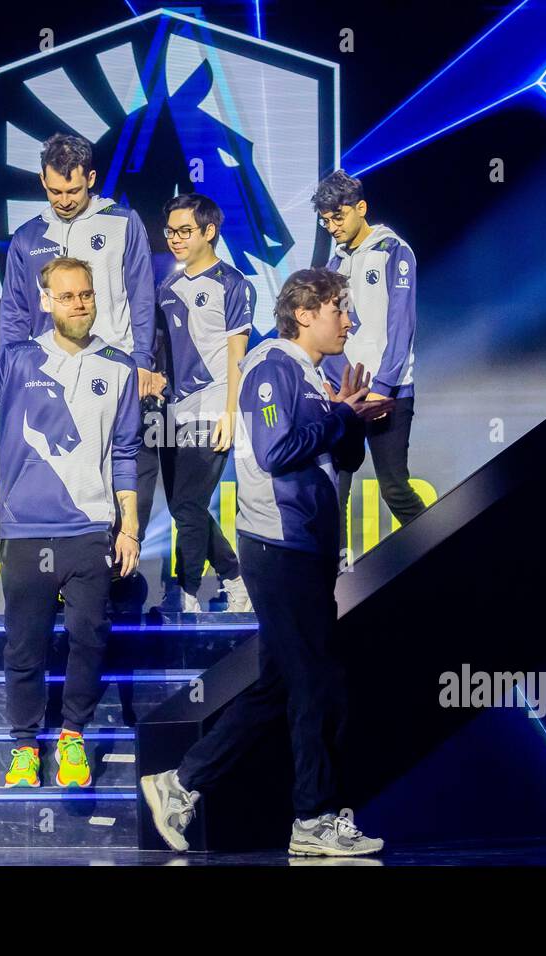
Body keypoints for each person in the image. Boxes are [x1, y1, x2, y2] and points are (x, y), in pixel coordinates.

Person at [140, 268, 392, 857]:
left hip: (307, 548)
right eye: (340, 310)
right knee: (318, 683)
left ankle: (180, 783)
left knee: (280, 683)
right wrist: (339, 418)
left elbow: (341, 457)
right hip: (278, 547)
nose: (348, 322)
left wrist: (347, 418)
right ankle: (314, 819)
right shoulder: (270, 367)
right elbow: (278, 451)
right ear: (304, 312)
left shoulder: (310, 374)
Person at [0, 259, 141, 789]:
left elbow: (125, 452)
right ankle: (25, 746)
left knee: (89, 636)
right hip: (25, 530)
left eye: (86, 294)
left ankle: (73, 737)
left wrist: (129, 527)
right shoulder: (18, 360)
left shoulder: (119, 367)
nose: (79, 303)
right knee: (24, 645)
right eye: (67, 295)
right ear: (45, 301)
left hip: (90, 528)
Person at [0, 132, 164, 602]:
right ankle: (51, 585)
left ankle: (110, 582)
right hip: (45, 378)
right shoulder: (28, 237)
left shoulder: (122, 223)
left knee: (116, 474)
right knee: (51, 474)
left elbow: (141, 297)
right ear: (43, 182)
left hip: (111, 375)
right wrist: (15, 371)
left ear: (90, 178)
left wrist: (142, 363)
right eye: (54, 191)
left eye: (74, 190)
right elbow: (13, 310)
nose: (65, 201)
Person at [312, 170, 425, 556]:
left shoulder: (395, 251)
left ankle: (440, 554)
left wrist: (383, 387)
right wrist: (337, 385)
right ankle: (339, 576)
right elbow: (328, 332)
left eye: (338, 217)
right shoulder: (332, 266)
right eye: (325, 221)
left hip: (389, 393)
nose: (332, 226)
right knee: (335, 488)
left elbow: (401, 323)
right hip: (348, 397)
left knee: (394, 486)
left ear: (361, 208)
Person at [154, 192, 254, 613]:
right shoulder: (167, 286)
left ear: (209, 231)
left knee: (190, 504)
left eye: (184, 231)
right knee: (183, 506)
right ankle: (234, 576)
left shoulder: (233, 284)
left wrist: (231, 415)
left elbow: (238, 356)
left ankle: (187, 593)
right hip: (170, 411)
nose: (175, 239)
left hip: (213, 407)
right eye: (170, 232)